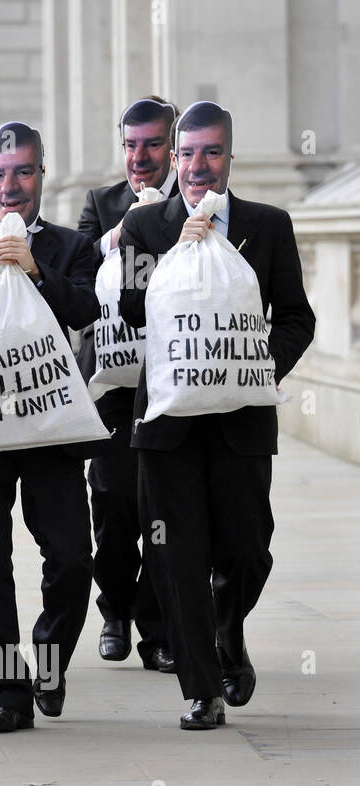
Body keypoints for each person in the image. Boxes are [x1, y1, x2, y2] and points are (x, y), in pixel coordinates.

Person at [119, 102, 315, 729]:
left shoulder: (268, 225)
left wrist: (253, 371)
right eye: (187, 154)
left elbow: (296, 317)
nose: (197, 166)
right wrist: (170, 256)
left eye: (210, 153)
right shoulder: (146, 227)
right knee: (175, 558)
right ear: (173, 158)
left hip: (241, 425)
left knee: (248, 549)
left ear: (231, 158)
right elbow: (127, 313)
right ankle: (201, 688)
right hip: (167, 426)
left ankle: (227, 625)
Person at [0, 122, 101, 734]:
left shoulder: (68, 245)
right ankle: (5, 691)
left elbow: (85, 310)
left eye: (23, 172)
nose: (10, 187)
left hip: (51, 428)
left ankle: (50, 661)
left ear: (41, 175)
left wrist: (34, 273)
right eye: (0, 174)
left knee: (71, 557)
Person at [76, 96, 180, 673]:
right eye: (130, 145)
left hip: (173, 381)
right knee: (113, 498)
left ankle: (156, 627)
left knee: (163, 508)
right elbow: (79, 267)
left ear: (172, 146)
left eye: (152, 145)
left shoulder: (193, 206)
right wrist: (122, 232)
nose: (139, 157)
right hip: (114, 384)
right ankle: (113, 606)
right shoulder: (101, 202)